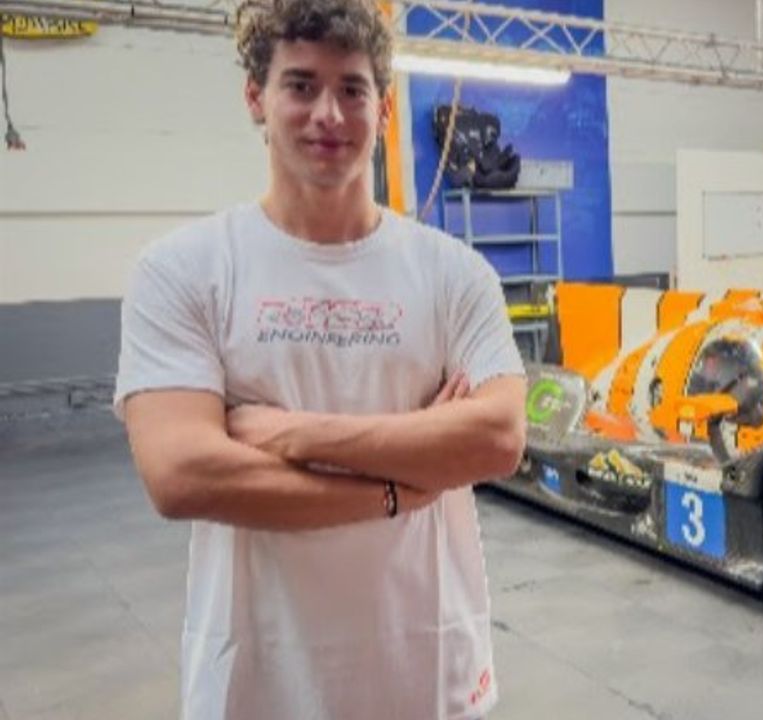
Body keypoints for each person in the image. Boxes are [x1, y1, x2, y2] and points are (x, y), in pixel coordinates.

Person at [114, 1, 527, 718]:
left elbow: (496, 438)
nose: (329, 114)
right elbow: (182, 474)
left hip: (427, 671)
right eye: (301, 85)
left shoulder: (454, 275)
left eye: (352, 89)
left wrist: (293, 433)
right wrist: (398, 489)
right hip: (259, 682)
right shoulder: (183, 270)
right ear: (256, 97)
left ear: (384, 108)